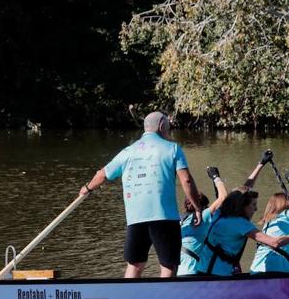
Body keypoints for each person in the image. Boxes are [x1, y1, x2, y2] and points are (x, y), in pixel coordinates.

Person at [80, 111, 203, 278]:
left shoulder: (128, 151)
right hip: (164, 217)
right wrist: (197, 208)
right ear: (161, 126)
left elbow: (102, 175)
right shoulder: (173, 149)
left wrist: (87, 188)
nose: (169, 130)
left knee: (135, 264)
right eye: (168, 126)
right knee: (169, 265)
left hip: (136, 217)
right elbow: (186, 180)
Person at [195, 189, 289, 276]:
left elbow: (235, 194)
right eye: (253, 205)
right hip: (217, 275)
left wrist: (260, 165)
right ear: (243, 206)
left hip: (200, 270)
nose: (256, 209)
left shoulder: (219, 214)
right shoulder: (241, 224)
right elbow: (274, 242)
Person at [250, 169, 289, 274]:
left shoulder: (268, 222)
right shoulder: (287, 216)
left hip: (256, 270)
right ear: (286, 204)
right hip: (275, 271)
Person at [178, 166, 228, 276]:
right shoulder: (203, 216)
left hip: (175, 272)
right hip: (191, 272)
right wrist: (216, 178)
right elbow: (223, 197)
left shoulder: (179, 220)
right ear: (203, 207)